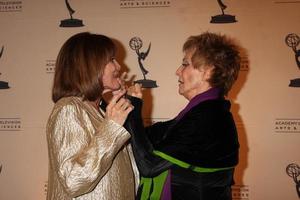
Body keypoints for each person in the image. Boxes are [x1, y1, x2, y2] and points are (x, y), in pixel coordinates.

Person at [126, 32, 241, 200]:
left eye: (185, 64)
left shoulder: (208, 117)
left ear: (208, 72)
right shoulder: (208, 111)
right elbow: (150, 135)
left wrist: (133, 110)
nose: (177, 71)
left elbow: (149, 165)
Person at [46, 32, 139, 200]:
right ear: (90, 66)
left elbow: (129, 174)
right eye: (111, 59)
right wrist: (112, 129)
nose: (119, 66)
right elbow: (74, 180)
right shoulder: (68, 109)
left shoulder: (103, 114)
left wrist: (125, 108)